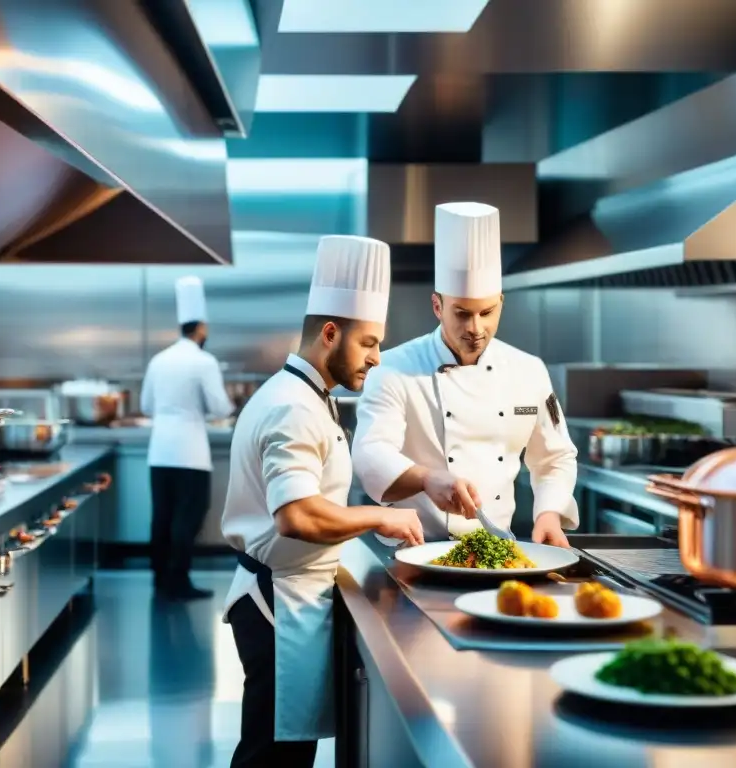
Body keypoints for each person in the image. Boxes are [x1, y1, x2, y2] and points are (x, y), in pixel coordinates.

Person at [221, 235, 424, 768]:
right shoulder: (294, 407)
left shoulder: (310, 396)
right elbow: (297, 515)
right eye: (369, 344)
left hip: (290, 597)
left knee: (281, 753)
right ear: (331, 333)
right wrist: (381, 516)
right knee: (272, 759)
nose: (376, 359)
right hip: (277, 604)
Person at [351, 202, 579, 546]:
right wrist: (426, 478)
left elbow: (555, 455)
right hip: (412, 550)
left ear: (501, 302)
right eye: (461, 313)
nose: (475, 328)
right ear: (437, 306)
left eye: (487, 312)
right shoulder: (394, 369)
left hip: (497, 550)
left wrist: (548, 514)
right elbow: (370, 453)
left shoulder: (528, 371)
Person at [141, 276, 235, 601]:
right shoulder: (204, 361)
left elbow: (145, 406)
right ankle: (178, 582)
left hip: (159, 450)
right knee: (188, 515)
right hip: (190, 451)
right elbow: (220, 406)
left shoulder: (159, 360)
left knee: (162, 515)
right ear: (201, 329)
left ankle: (159, 578)